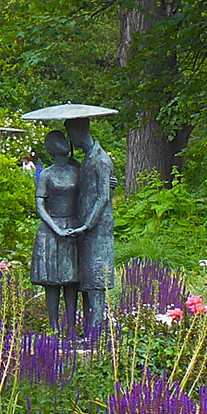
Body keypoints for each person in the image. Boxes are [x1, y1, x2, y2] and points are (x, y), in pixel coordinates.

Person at [66, 117, 116, 329]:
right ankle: (90, 329)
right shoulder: (87, 159)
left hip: (97, 229)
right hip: (86, 229)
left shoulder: (101, 160)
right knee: (87, 279)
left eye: (70, 133)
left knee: (97, 280)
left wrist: (87, 225)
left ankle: (95, 332)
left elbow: (103, 197)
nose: (70, 139)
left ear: (80, 131)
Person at [31, 130, 81, 333]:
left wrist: (110, 185)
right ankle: (53, 328)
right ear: (51, 148)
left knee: (71, 281)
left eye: (64, 139)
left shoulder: (77, 171)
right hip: (51, 232)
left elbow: (92, 191)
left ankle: (71, 328)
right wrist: (55, 228)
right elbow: (39, 204)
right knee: (52, 283)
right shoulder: (47, 174)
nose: (65, 142)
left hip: (72, 227)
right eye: (59, 140)